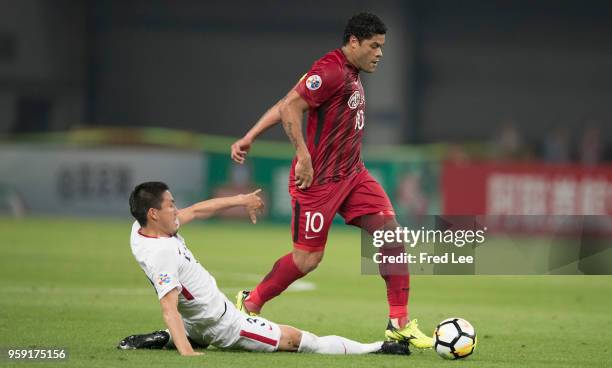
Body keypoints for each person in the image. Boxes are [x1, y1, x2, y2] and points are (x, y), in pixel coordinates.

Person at [230, 12, 433, 348]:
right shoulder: (331, 70)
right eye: (374, 46)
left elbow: (286, 102)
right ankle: (250, 302)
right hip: (319, 181)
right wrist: (304, 156)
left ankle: (398, 322)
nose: (380, 53)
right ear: (353, 42)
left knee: (391, 236)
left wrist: (250, 135)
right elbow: (291, 108)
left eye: (382, 46)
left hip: (353, 174)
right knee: (307, 259)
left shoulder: (349, 71)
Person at [118, 181, 410, 356]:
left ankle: (167, 337)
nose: (176, 210)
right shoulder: (162, 252)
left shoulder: (142, 228)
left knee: (193, 327)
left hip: (198, 320)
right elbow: (169, 307)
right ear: (154, 213)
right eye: (170, 205)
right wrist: (187, 354)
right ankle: (375, 348)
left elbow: (196, 210)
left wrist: (241, 199)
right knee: (301, 341)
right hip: (225, 325)